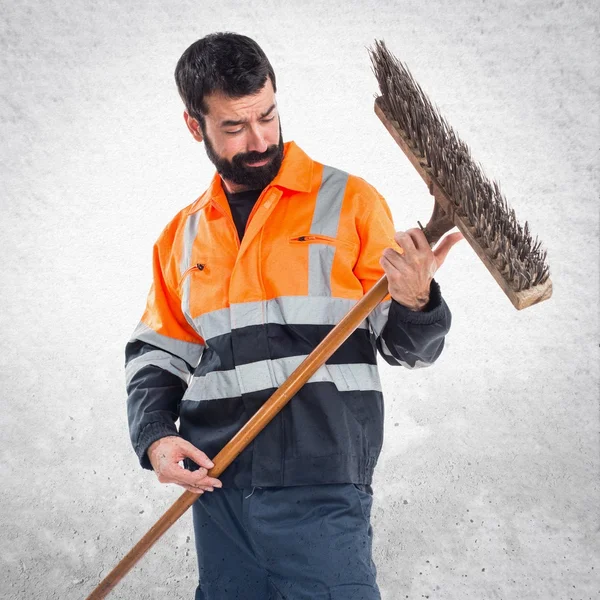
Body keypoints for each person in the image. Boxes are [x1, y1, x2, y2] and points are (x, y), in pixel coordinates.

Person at [126, 32, 462, 600]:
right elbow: (158, 352)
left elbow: (409, 349)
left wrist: (415, 300)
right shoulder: (181, 236)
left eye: (267, 115)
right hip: (219, 488)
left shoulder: (349, 202)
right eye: (234, 127)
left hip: (323, 484)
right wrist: (156, 436)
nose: (259, 138)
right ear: (195, 126)